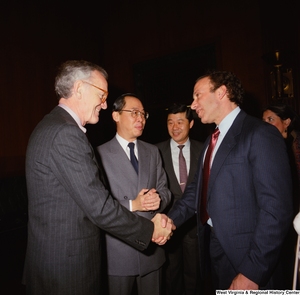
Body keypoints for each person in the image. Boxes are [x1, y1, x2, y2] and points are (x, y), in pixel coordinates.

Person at [23, 60, 174, 295]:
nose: (104, 105)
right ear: (80, 89)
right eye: (102, 95)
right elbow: (100, 208)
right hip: (67, 272)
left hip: (54, 264)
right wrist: (150, 230)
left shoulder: (49, 126)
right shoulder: (66, 133)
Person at [167, 70, 293, 290]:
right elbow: (196, 192)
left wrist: (252, 272)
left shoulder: (261, 134)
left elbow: (276, 209)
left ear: (222, 92)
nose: (193, 104)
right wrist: (169, 222)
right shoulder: (210, 141)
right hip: (216, 251)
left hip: (250, 259)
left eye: (198, 95)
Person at [96, 93, 171, 295]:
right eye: (134, 113)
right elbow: (96, 204)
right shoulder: (98, 154)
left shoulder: (152, 151)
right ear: (116, 116)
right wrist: (133, 205)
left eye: (143, 114)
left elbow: (165, 190)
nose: (141, 119)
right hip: (117, 253)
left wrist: (160, 199)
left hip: (152, 250)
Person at [156, 103, 203, 295]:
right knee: (170, 276)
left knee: (195, 276)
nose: (175, 127)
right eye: (170, 122)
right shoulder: (155, 151)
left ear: (191, 123)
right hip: (167, 225)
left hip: (195, 225)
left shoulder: (204, 150)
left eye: (180, 122)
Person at [262, 103, 300, 288]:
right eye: (264, 121)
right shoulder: (267, 145)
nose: (266, 125)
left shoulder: (294, 144)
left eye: (271, 120)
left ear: (286, 122)